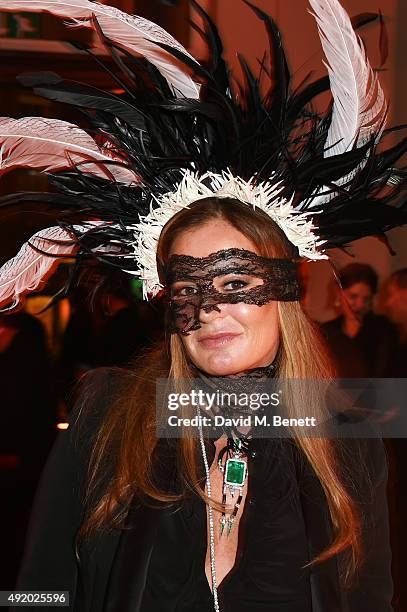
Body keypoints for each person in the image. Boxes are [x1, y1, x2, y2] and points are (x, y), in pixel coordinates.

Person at [0, 0, 407, 610]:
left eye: (236, 284)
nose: (210, 311)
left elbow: (370, 593)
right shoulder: (109, 413)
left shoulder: (348, 428)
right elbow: (39, 590)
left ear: (285, 294)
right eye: (187, 289)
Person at [321, 264, 398, 378]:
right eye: (353, 297)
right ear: (338, 292)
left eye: (366, 299)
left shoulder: (384, 329)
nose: (360, 305)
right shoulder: (326, 332)